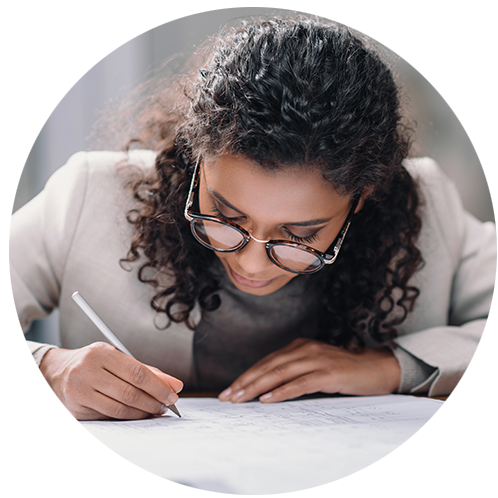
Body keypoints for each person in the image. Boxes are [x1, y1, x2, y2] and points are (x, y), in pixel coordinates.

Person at [10, 17, 496, 421]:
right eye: (223, 215)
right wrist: (47, 368)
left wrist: (393, 368)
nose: (253, 264)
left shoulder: (427, 206)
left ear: (362, 197)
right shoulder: (91, 195)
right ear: (197, 158)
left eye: (300, 236)